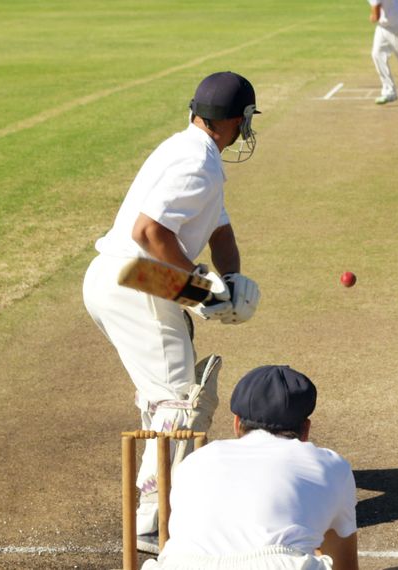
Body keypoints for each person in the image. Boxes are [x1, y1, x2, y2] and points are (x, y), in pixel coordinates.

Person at [82, 71, 263, 553]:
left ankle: (158, 502)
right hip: (135, 277)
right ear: (237, 121)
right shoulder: (195, 163)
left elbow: (219, 231)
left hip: (131, 276)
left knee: (165, 393)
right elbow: (149, 232)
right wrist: (201, 286)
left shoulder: (195, 152)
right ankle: (150, 518)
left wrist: (233, 280)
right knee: (181, 401)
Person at [146, 365, 359, 570]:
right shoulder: (331, 466)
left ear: (237, 423)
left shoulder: (193, 462)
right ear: (306, 429)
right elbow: (344, 564)